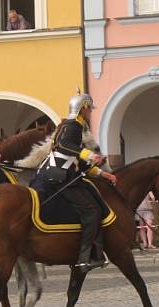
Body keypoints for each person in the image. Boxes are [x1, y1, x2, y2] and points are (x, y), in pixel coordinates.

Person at [31, 90, 117, 272]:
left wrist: (103, 174)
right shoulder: (74, 126)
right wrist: (90, 154)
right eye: (89, 109)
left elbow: (77, 161)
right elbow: (64, 146)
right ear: (83, 108)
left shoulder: (68, 125)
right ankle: (85, 257)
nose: (90, 112)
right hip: (60, 177)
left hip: (57, 172)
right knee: (92, 210)